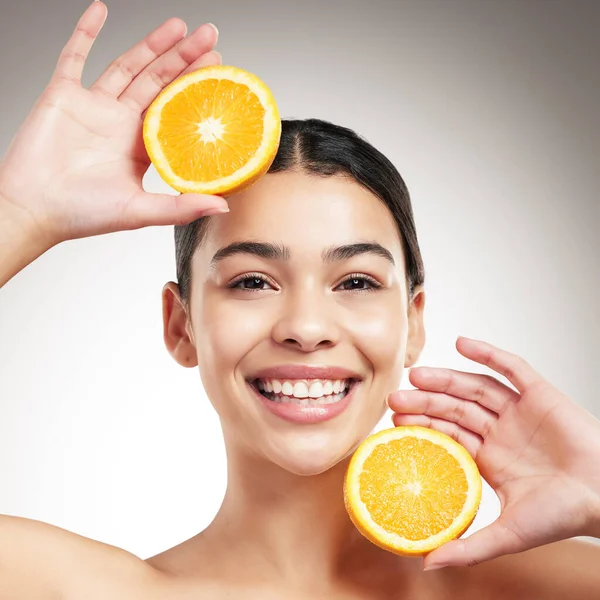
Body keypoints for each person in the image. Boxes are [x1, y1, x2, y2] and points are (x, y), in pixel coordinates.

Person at [1, 2, 599, 598]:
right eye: (252, 281)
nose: (307, 327)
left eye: (357, 282)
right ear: (181, 326)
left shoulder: (548, 584)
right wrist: (20, 214)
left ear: (412, 323)